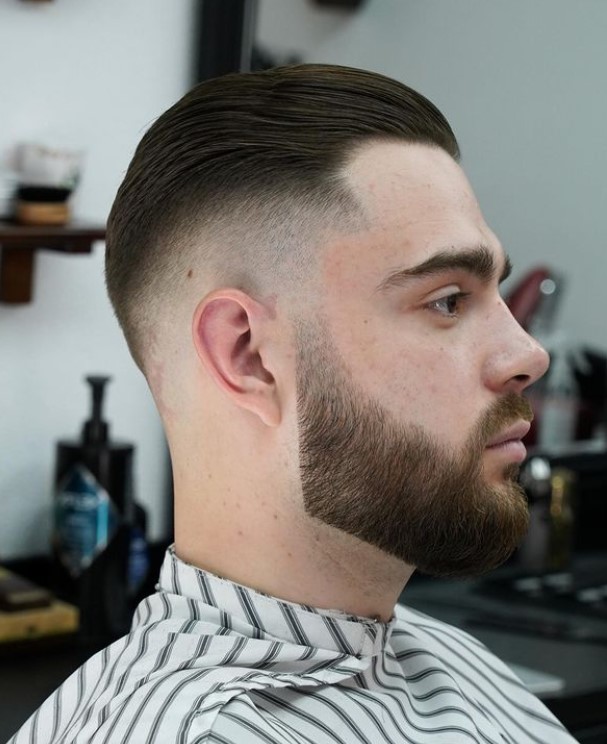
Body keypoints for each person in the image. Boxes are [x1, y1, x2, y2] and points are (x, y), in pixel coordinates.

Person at [9, 64, 578, 744]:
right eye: (448, 300)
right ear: (248, 355)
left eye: (494, 294)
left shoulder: (445, 660)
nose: (527, 354)